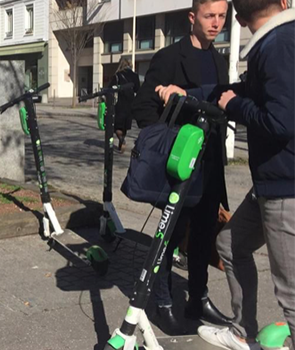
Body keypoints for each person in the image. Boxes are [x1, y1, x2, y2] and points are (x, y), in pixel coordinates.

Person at [193, 1, 295, 349]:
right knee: (231, 244)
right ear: (282, 2)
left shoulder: (278, 43)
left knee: (290, 291)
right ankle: (241, 332)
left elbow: (281, 121)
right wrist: (198, 94)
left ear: (237, 17)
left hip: (286, 187)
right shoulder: (277, 41)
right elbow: (257, 92)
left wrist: (233, 106)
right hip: (269, 184)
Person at [131, 0, 233, 335]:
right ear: (192, 17)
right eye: (209, 16)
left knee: (204, 235)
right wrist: (167, 143)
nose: (216, 23)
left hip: (210, 163)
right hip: (180, 164)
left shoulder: (218, 59)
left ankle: (198, 298)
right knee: (170, 235)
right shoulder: (170, 57)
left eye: (221, 16)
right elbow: (144, 109)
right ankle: (162, 301)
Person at [108, 58, 140, 153]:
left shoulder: (118, 75)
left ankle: (122, 140)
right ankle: (120, 144)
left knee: (116, 126)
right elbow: (137, 89)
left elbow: (110, 88)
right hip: (130, 104)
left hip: (120, 103)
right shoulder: (135, 76)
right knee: (125, 126)